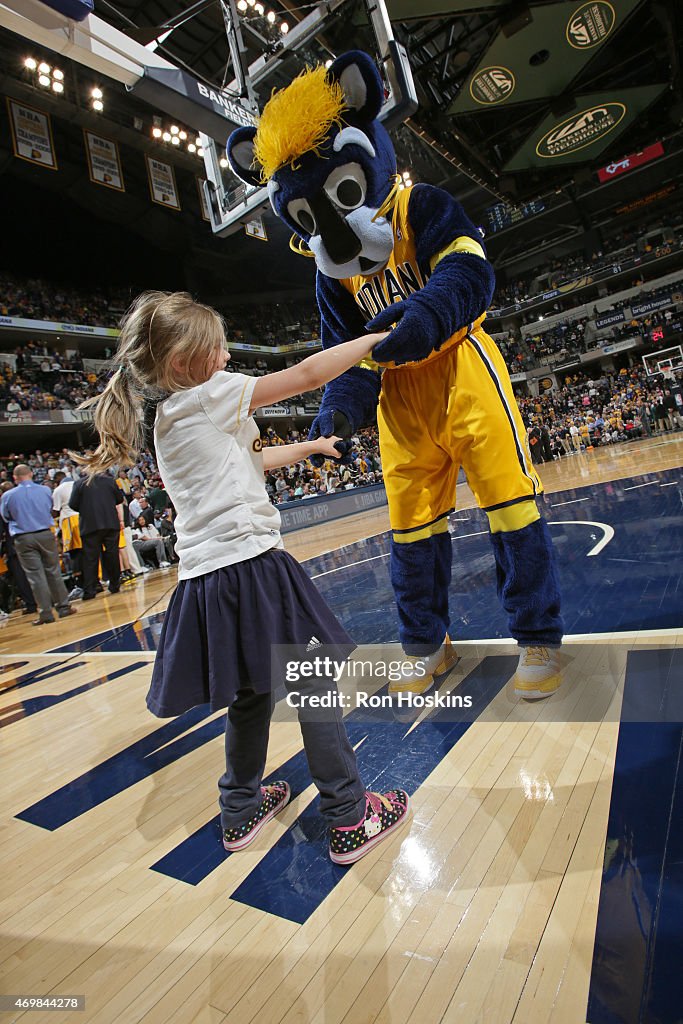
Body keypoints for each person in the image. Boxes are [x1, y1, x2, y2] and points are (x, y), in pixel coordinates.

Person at [75, 290, 408, 866]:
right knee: (314, 681)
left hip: (205, 581)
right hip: (253, 566)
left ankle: (241, 808)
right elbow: (305, 374)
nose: (227, 354)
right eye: (217, 346)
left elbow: (248, 460)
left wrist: (311, 445)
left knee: (250, 696)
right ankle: (350, 816)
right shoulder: (211, 395)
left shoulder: (168, 418)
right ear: (185, 363)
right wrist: (377, 340)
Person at [0, 465, 76, 625]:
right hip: (45, 534)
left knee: (35, 576)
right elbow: (50, 509)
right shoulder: (45, 491)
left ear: (14, 478)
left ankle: (46, 613)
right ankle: (63, 607)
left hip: (23, 537)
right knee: (53, 571)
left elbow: (6, 517)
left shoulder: (8, 496)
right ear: (31, 474)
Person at [68, 472, 124, 600]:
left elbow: (72, 504)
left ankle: (90, 590)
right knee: (112, 554)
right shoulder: (109, 481)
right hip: (110, 522)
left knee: (90, 559)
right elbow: (119, 499)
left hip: (89, 525)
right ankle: (115, 585)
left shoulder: (79, 483)